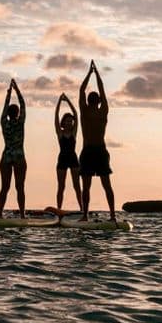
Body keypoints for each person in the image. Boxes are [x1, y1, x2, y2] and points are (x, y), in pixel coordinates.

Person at [79, 60, 116, 221]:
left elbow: (81, 90)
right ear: (98, 102)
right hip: (95, 150)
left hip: (95, 151)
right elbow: (100, 90)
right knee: (102, 185)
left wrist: (90, 73)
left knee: (94, 186)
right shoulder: (99, 112)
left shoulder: (86, 112)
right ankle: (109, 216)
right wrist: (96, 74)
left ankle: (88, 216)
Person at [0, 79, 26, 219]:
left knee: (5, 187)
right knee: (19, 187)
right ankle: (21, 214)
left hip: (7, 155)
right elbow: (23, 104)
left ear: (8, 114)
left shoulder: (4, 122)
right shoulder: (20, 122)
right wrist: (17, 90)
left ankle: (0, 213)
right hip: (18, 155)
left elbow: (4, 108)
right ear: (18, 113)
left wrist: (8, 94)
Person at [54, 93, 82, 212]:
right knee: (61, 186)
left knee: (77, 186)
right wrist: (60, 101)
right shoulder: (60, 133)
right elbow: (56, 116)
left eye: (71, 121)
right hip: (62, 159)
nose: (69, 123)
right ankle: (59, 209)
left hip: (73, 159)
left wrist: (69, 100)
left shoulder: (74, 133)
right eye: (67, 121)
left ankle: (82, 209)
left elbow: (76, 114)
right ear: (63, 122)